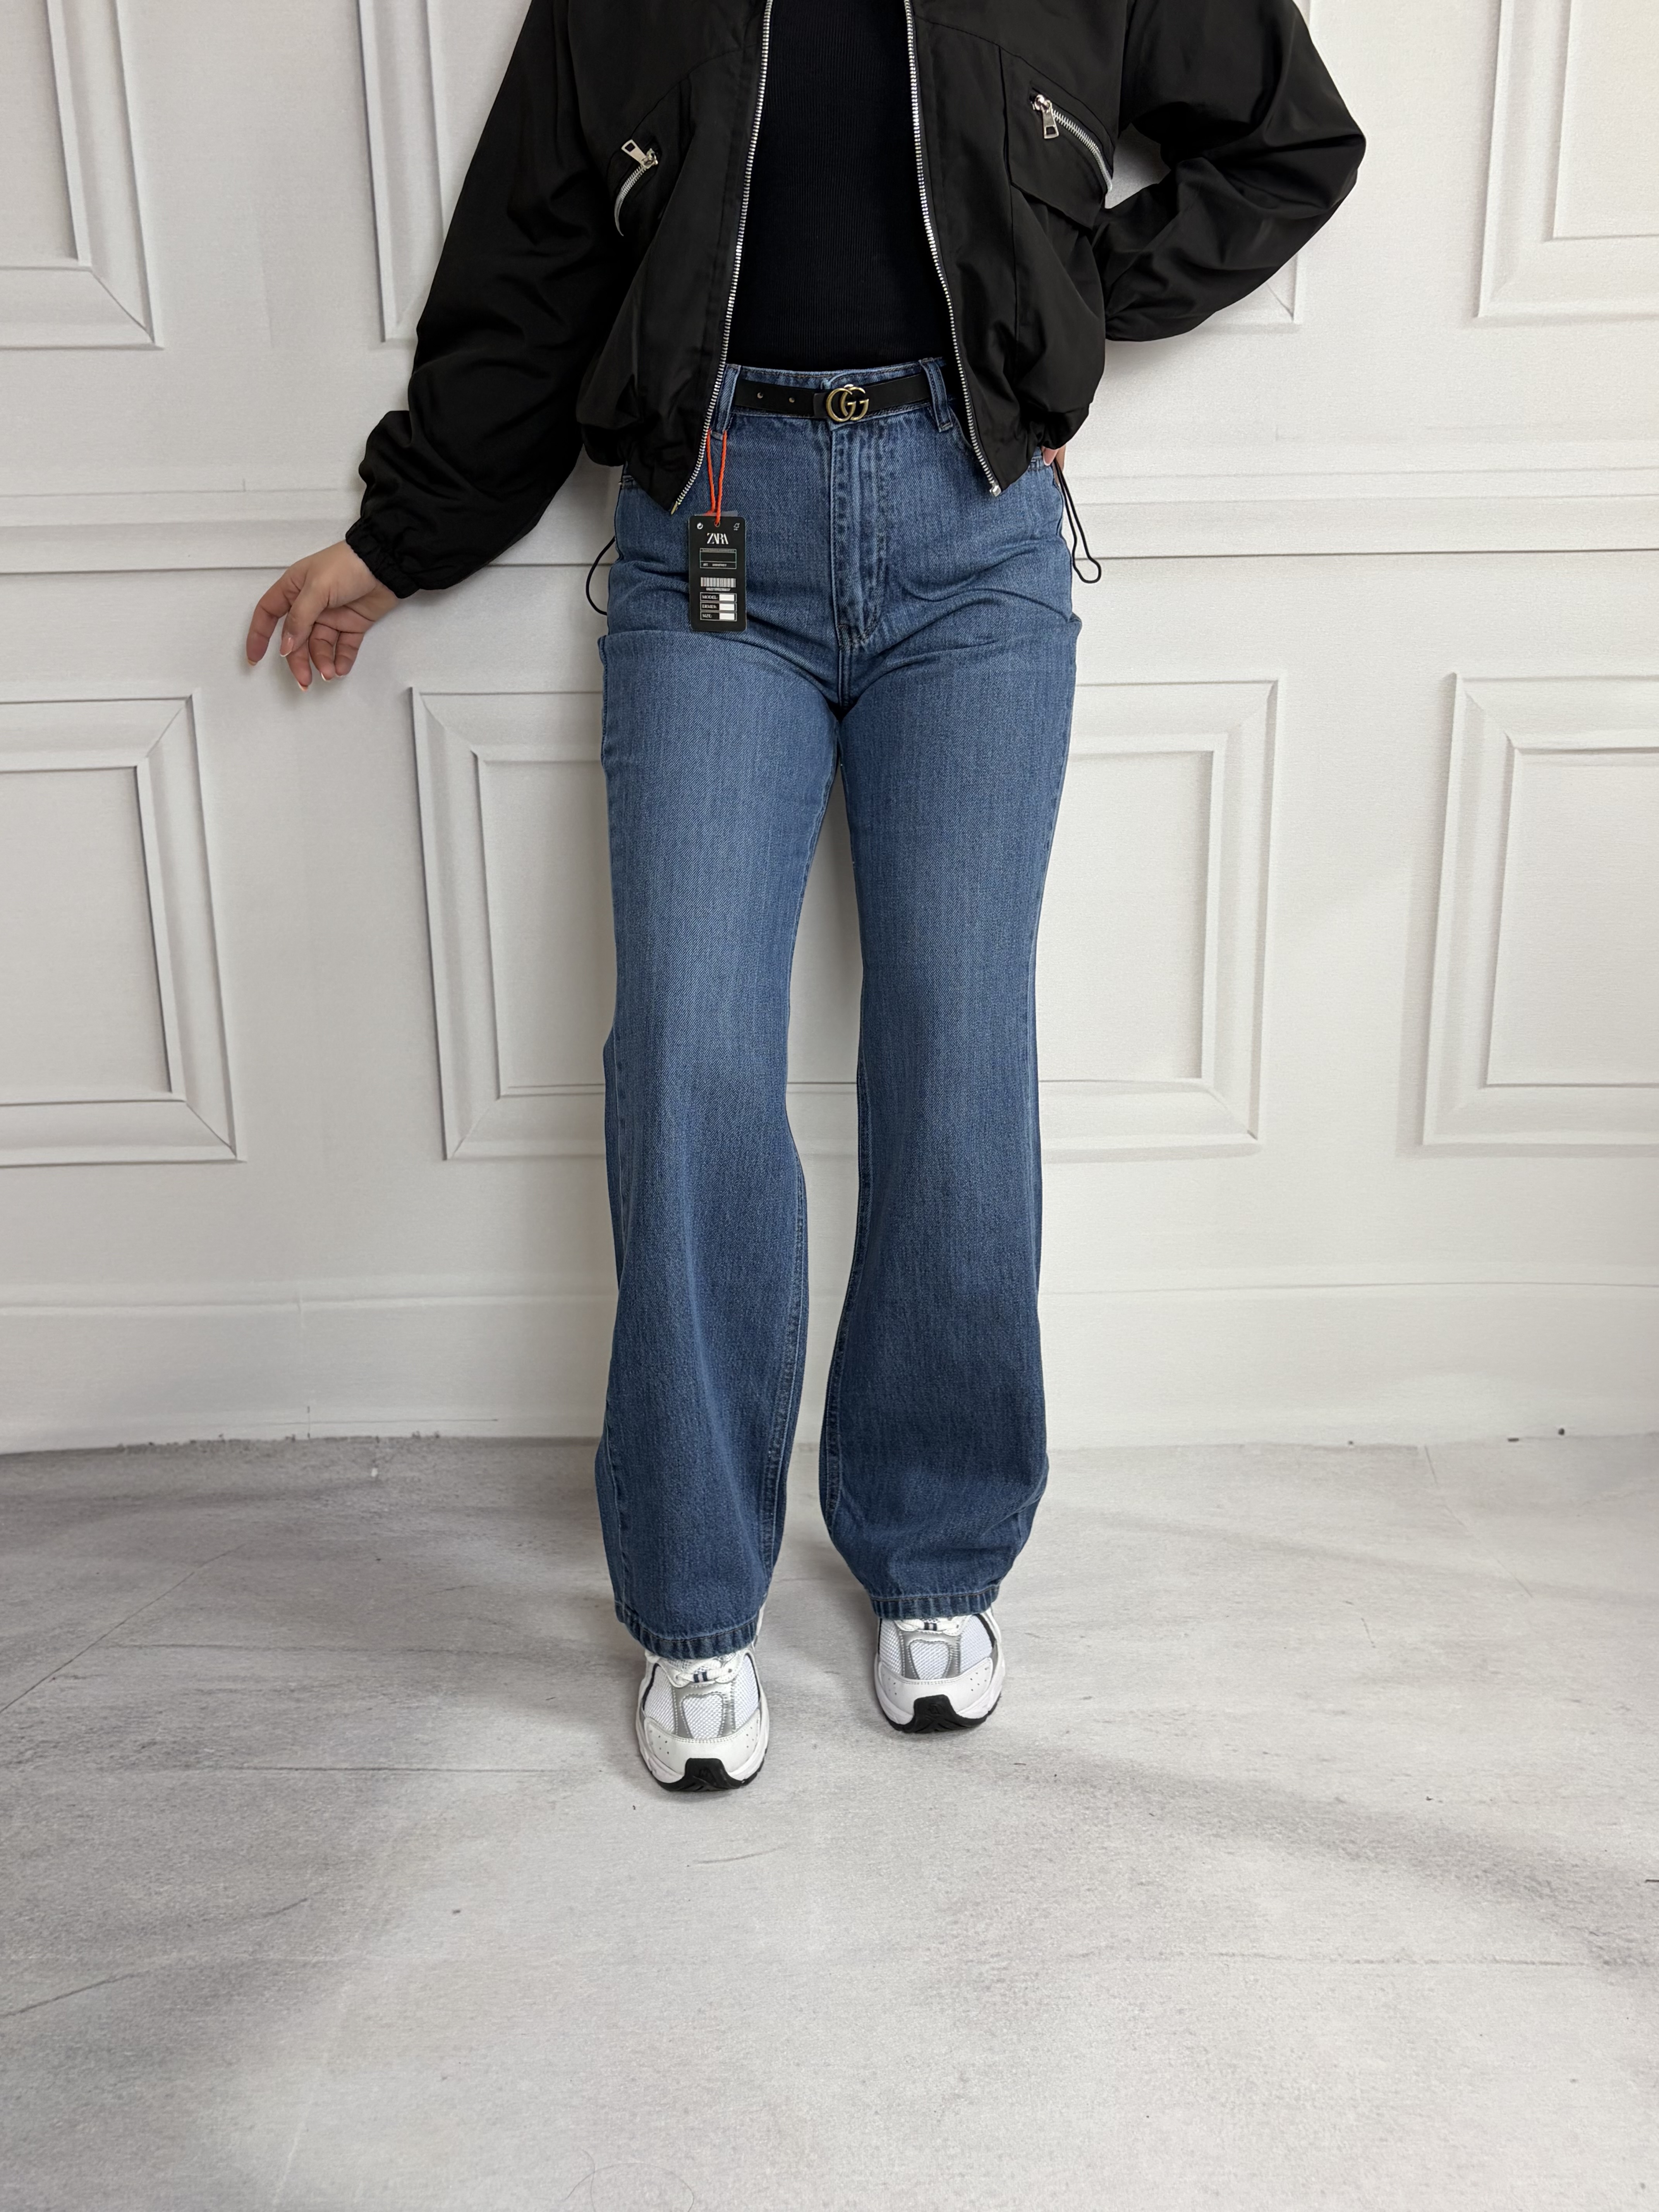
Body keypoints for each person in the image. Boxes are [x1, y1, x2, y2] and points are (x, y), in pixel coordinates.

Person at [246, 0, 1363, 1791]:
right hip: (711, 532)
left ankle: (936, 1555)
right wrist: (403, 536)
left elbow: (1290, 143)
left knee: (955, 1041)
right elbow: (531, 262)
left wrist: (1059, 303)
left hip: (971, 531)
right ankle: (696, 1600)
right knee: (687, 1051)